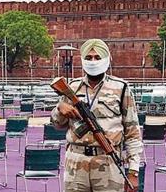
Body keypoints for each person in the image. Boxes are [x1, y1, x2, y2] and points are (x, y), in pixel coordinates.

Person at [51, 39, 143, 192]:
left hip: (108, 161)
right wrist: (59, 108)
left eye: (97, 57)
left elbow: (133, 133)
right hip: (76, 162)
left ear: (106, 59)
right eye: (88, 57)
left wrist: (133, 171)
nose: (93, 61)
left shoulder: (120, 88)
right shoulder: (72, 87)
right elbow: (57, 124)